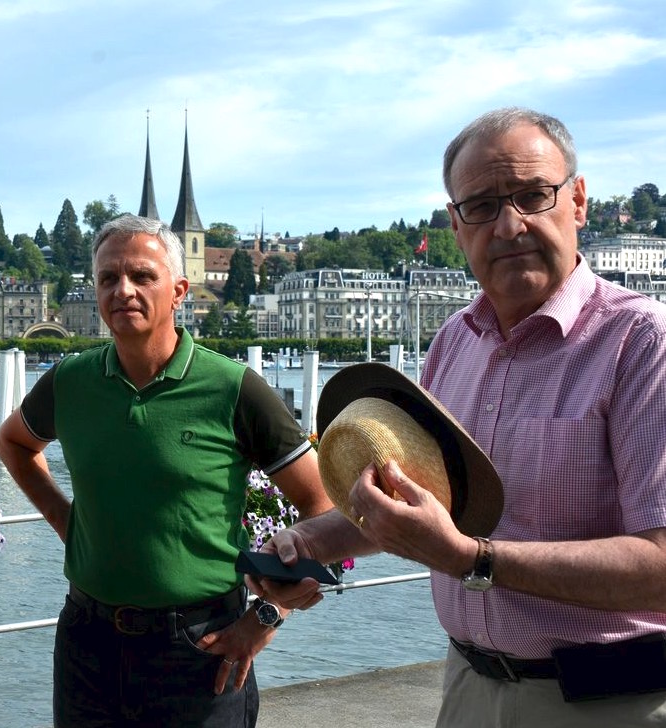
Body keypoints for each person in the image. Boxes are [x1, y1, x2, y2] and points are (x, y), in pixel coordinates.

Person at [255, 107, 666, 726]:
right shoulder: (454, 341)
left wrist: (472, 559)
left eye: (533, 195)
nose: (509, 225)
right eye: (481, 205)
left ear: (579, 202)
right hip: (470, 686)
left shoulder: (641, 342)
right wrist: (310, 541)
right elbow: (428, 511)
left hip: (610, 699)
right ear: (455, 224)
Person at [0, 213, 333, 727]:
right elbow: (13, 443)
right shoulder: (71, 381)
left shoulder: (234, 388)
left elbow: (322, 504)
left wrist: (266, 617)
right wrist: (69, 524)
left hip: (202, 647)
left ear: (179, 291)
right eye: (108, 278)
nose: (122, 290)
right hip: (88, 643)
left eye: (141, 276)